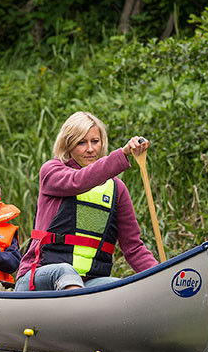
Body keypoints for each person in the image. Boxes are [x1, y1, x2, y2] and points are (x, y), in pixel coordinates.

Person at [15, 111, 156, 291]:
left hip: (90, 283)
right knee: (66, 271)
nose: (90, 149)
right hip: (39, 277)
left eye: (95, 141)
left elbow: (134, 248)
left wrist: (162, 275)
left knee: (120, 287)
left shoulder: (117, 189)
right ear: (68, 146)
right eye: (81, 142)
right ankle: (79, 309)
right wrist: (123, 153)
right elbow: (79, 181)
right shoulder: (52, 171)